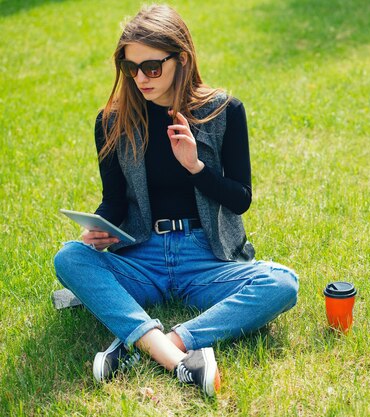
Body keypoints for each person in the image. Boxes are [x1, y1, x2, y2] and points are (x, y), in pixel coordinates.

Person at [53, 4, 299, 396]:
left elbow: (240, 199)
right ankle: (177, 359)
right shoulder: (112, 121)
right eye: (130, 68)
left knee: (283, 284)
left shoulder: (224, 111)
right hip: (143, 254)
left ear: (180, 59)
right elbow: (114, 200)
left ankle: (162, 344)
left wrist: (197, 167)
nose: (140, 78)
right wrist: (99, 230)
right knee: (69, 258)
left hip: (206, 257)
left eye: (151, 67)